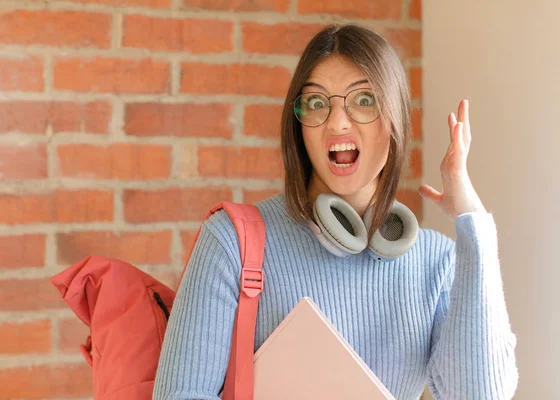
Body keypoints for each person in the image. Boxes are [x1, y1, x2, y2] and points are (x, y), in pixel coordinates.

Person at [153, 24, 518, 399]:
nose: (337, 122)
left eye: (363, 100)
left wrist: (472, 225)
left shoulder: (435, 263)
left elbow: (480, 394)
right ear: (299, 127)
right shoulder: (232, 241)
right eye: (315, 102)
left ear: (394, 118)